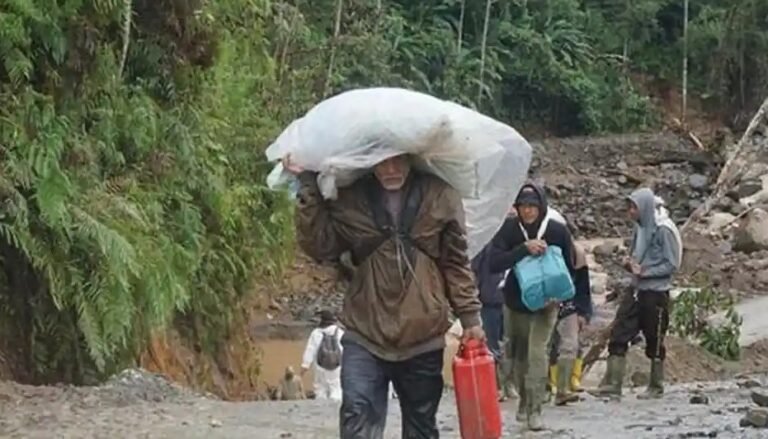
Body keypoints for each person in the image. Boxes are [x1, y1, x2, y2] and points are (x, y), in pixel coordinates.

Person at [285, 153, 485, 439]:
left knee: (421, 425)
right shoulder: (350, 197)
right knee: (357, 415)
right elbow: (320, 246)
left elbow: (455, 261)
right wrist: (307, 186)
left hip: (423, 334)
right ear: (370, 160)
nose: (390, 169)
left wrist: (470, 317)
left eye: (398, 160)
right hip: (365, 333)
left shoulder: (439, 195)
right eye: (382, 161)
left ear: (413, 157)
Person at [488, 183, 574, 431]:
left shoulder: (557, 230)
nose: (528, 212)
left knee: (538, 355)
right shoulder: (508, 230)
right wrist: (522, 250)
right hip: (515, 303)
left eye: (533, 207)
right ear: (517, 207)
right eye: (524, 206)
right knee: (517, 356)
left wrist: (563, 299)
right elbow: (494, 262)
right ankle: (524, 403)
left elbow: (570, 265)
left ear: (541, 207)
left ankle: (535, 410)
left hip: (547, 305)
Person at [591, 187, 681, 400]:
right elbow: (635, 253)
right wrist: (629, 263)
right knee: (620, 332)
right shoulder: (640, 228)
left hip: (656, 293)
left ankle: (656, 386)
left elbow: (672, 263)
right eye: (629, 207)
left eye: (634, 207)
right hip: (636, 289)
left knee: (654, 338)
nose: (630, 212)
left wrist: (647, 271)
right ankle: (612, 384)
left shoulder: (664, 230)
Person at [546, 241, 592, 405]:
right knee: (546, 347)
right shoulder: (540, 251)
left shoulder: (576, 253)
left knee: (570, 345)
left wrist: (584, 312)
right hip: (544, 305)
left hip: (569, 306)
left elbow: (583, 286)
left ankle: (563, 387)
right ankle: (546, 386)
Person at [471, 239, 515, 401]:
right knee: (492, 345)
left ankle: (510, 383)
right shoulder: (486, 244)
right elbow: (473, 272)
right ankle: (496, 385)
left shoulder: (519, 243)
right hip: (489, 301)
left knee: (511, 344)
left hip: (514, 302)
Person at [300, 310, 344, 401]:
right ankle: (334, 406)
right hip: (337, 367)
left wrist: (305, 366)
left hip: (320, 367)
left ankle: (321, 408)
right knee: (336, 388)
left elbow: (310, 350)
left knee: (320, 389)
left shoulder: (316, 333)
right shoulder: (340, 332)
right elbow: (345, 350)